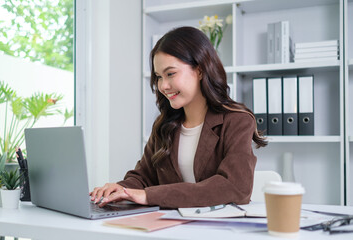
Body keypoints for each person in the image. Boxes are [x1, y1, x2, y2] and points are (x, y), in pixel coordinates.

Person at [90, 26, 267, 209]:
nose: (163, 85)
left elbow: (234, 187)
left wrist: (149, 196)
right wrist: (120, 189)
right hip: (170, 227)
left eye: (170, 74)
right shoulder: (165, 125)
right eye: (159, 77)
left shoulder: (236, 121)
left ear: (199, 70)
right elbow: (143, 177)